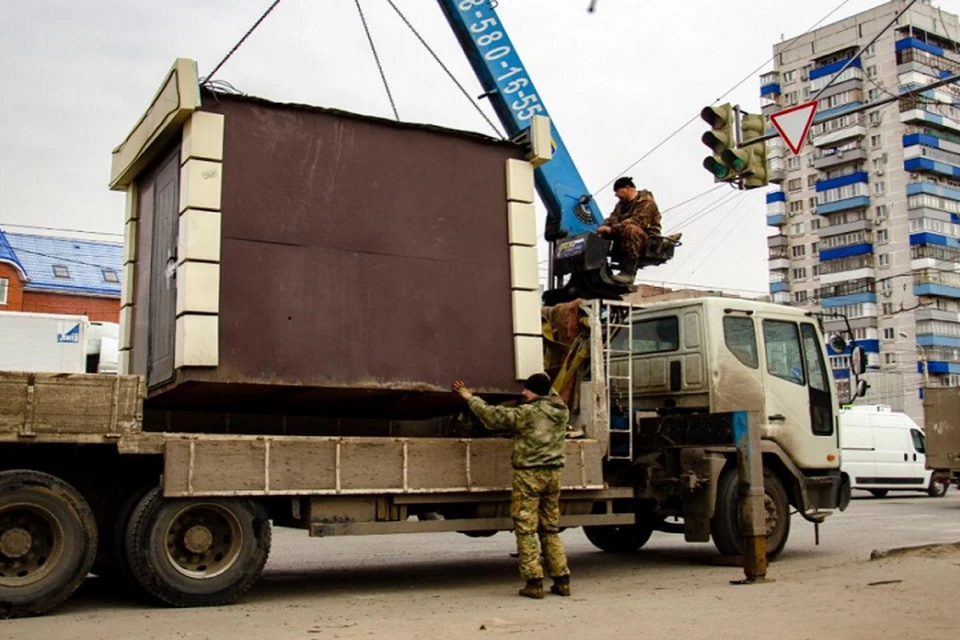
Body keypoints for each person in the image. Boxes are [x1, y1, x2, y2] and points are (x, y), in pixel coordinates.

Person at [451, 373, 571, 599]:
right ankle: (561, 580)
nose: (523, 392)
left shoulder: (527, 413)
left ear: (536, 392)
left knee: (525, 528)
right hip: (553, 475)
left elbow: (493, 417)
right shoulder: (561, 411)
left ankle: (533, 582)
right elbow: (548, 390)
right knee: (550, 528)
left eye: (527, 389)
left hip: (529, 475)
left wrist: (468, 396)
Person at [596, 176, 662, 284]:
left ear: (627, 188)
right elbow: (612, 219)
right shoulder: (620, 205)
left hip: (647, 240)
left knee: (630, 229)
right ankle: (600, 270)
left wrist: (610, 229)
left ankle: (629, 273)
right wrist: (602, 228)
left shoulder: (646, 202)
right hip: (625, 235)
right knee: (601, 235)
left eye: (617, 191)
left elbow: (637, 222)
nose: (616, 195)